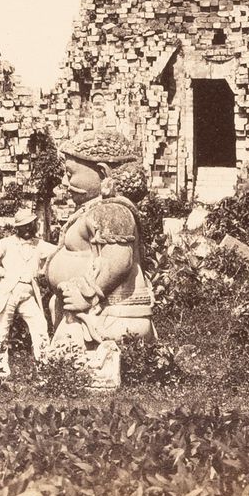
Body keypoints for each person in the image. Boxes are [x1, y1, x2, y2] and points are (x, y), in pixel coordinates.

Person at [44, 130, 155, 387]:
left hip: (112, 314)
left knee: (69, 360)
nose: (64, 180)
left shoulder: (113, 212)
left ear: (103, 174)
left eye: (71, 173)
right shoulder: (96, 210)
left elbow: (118, 260)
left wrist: (88, 293)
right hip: (92, 314)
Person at [0, 207, 56, 379]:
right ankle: (1, 371)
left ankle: (44, 369)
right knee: (2, 330)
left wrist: (44, 269)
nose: (27, 230)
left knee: (40, 327)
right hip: (8, 292)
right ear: (17, 228)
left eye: (30, 226)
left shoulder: (38, 244)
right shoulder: (7, 243)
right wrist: (1, 273)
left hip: (28, 295)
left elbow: (57, 251)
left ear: (34, 226)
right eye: (23, 226)